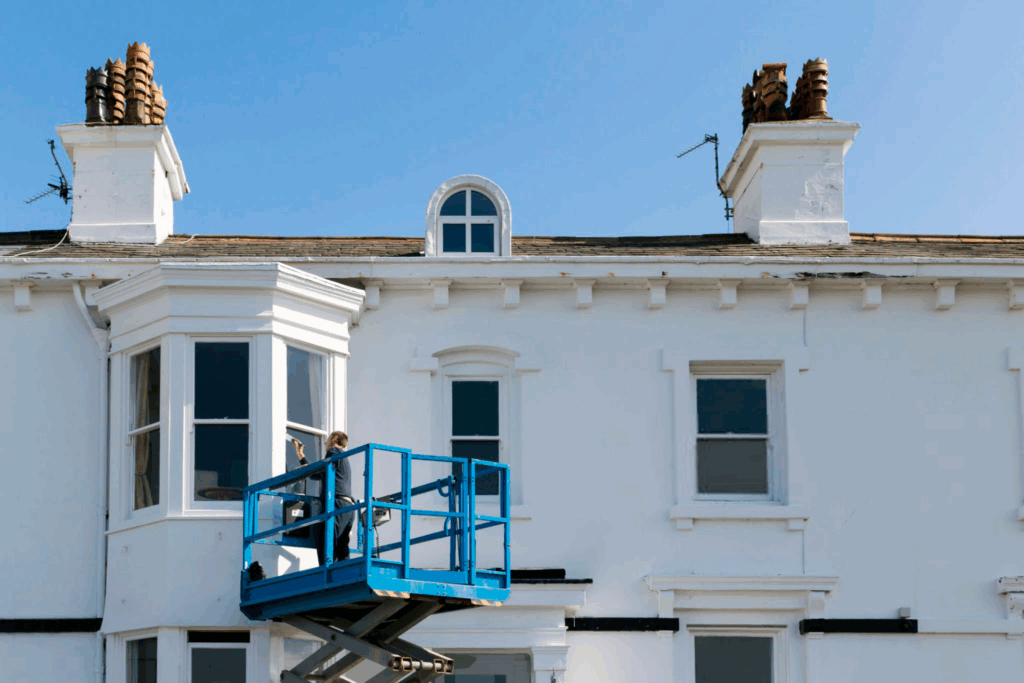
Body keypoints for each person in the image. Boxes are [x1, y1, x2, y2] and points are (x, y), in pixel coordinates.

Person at [292, 431, 355, 565]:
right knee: (342, 546)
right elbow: (316, 474)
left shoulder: (334, 451)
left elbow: (316, 470)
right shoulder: (341, 460)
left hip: (337, 504)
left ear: (335, 439)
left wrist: (303, 468)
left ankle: (328, 572)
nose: (326, 443)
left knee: (327, 542)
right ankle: (344, 571)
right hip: (348, 506)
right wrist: (301, 455)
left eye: (328, 439)